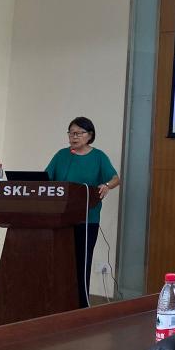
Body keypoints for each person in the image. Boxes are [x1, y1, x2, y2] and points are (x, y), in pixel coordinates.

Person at [45, 116, 120, 309]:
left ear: (90, 135)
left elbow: (115, 178)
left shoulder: (98, 156)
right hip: (61, 219)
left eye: (79, 133)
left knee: (81, 263)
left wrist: (106, 185)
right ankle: (59, 303)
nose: (74, 136)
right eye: (71, 133)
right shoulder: (62, 155)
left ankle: (81, 306)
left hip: (87, 220)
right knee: (61, 263)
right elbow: (45, 179)